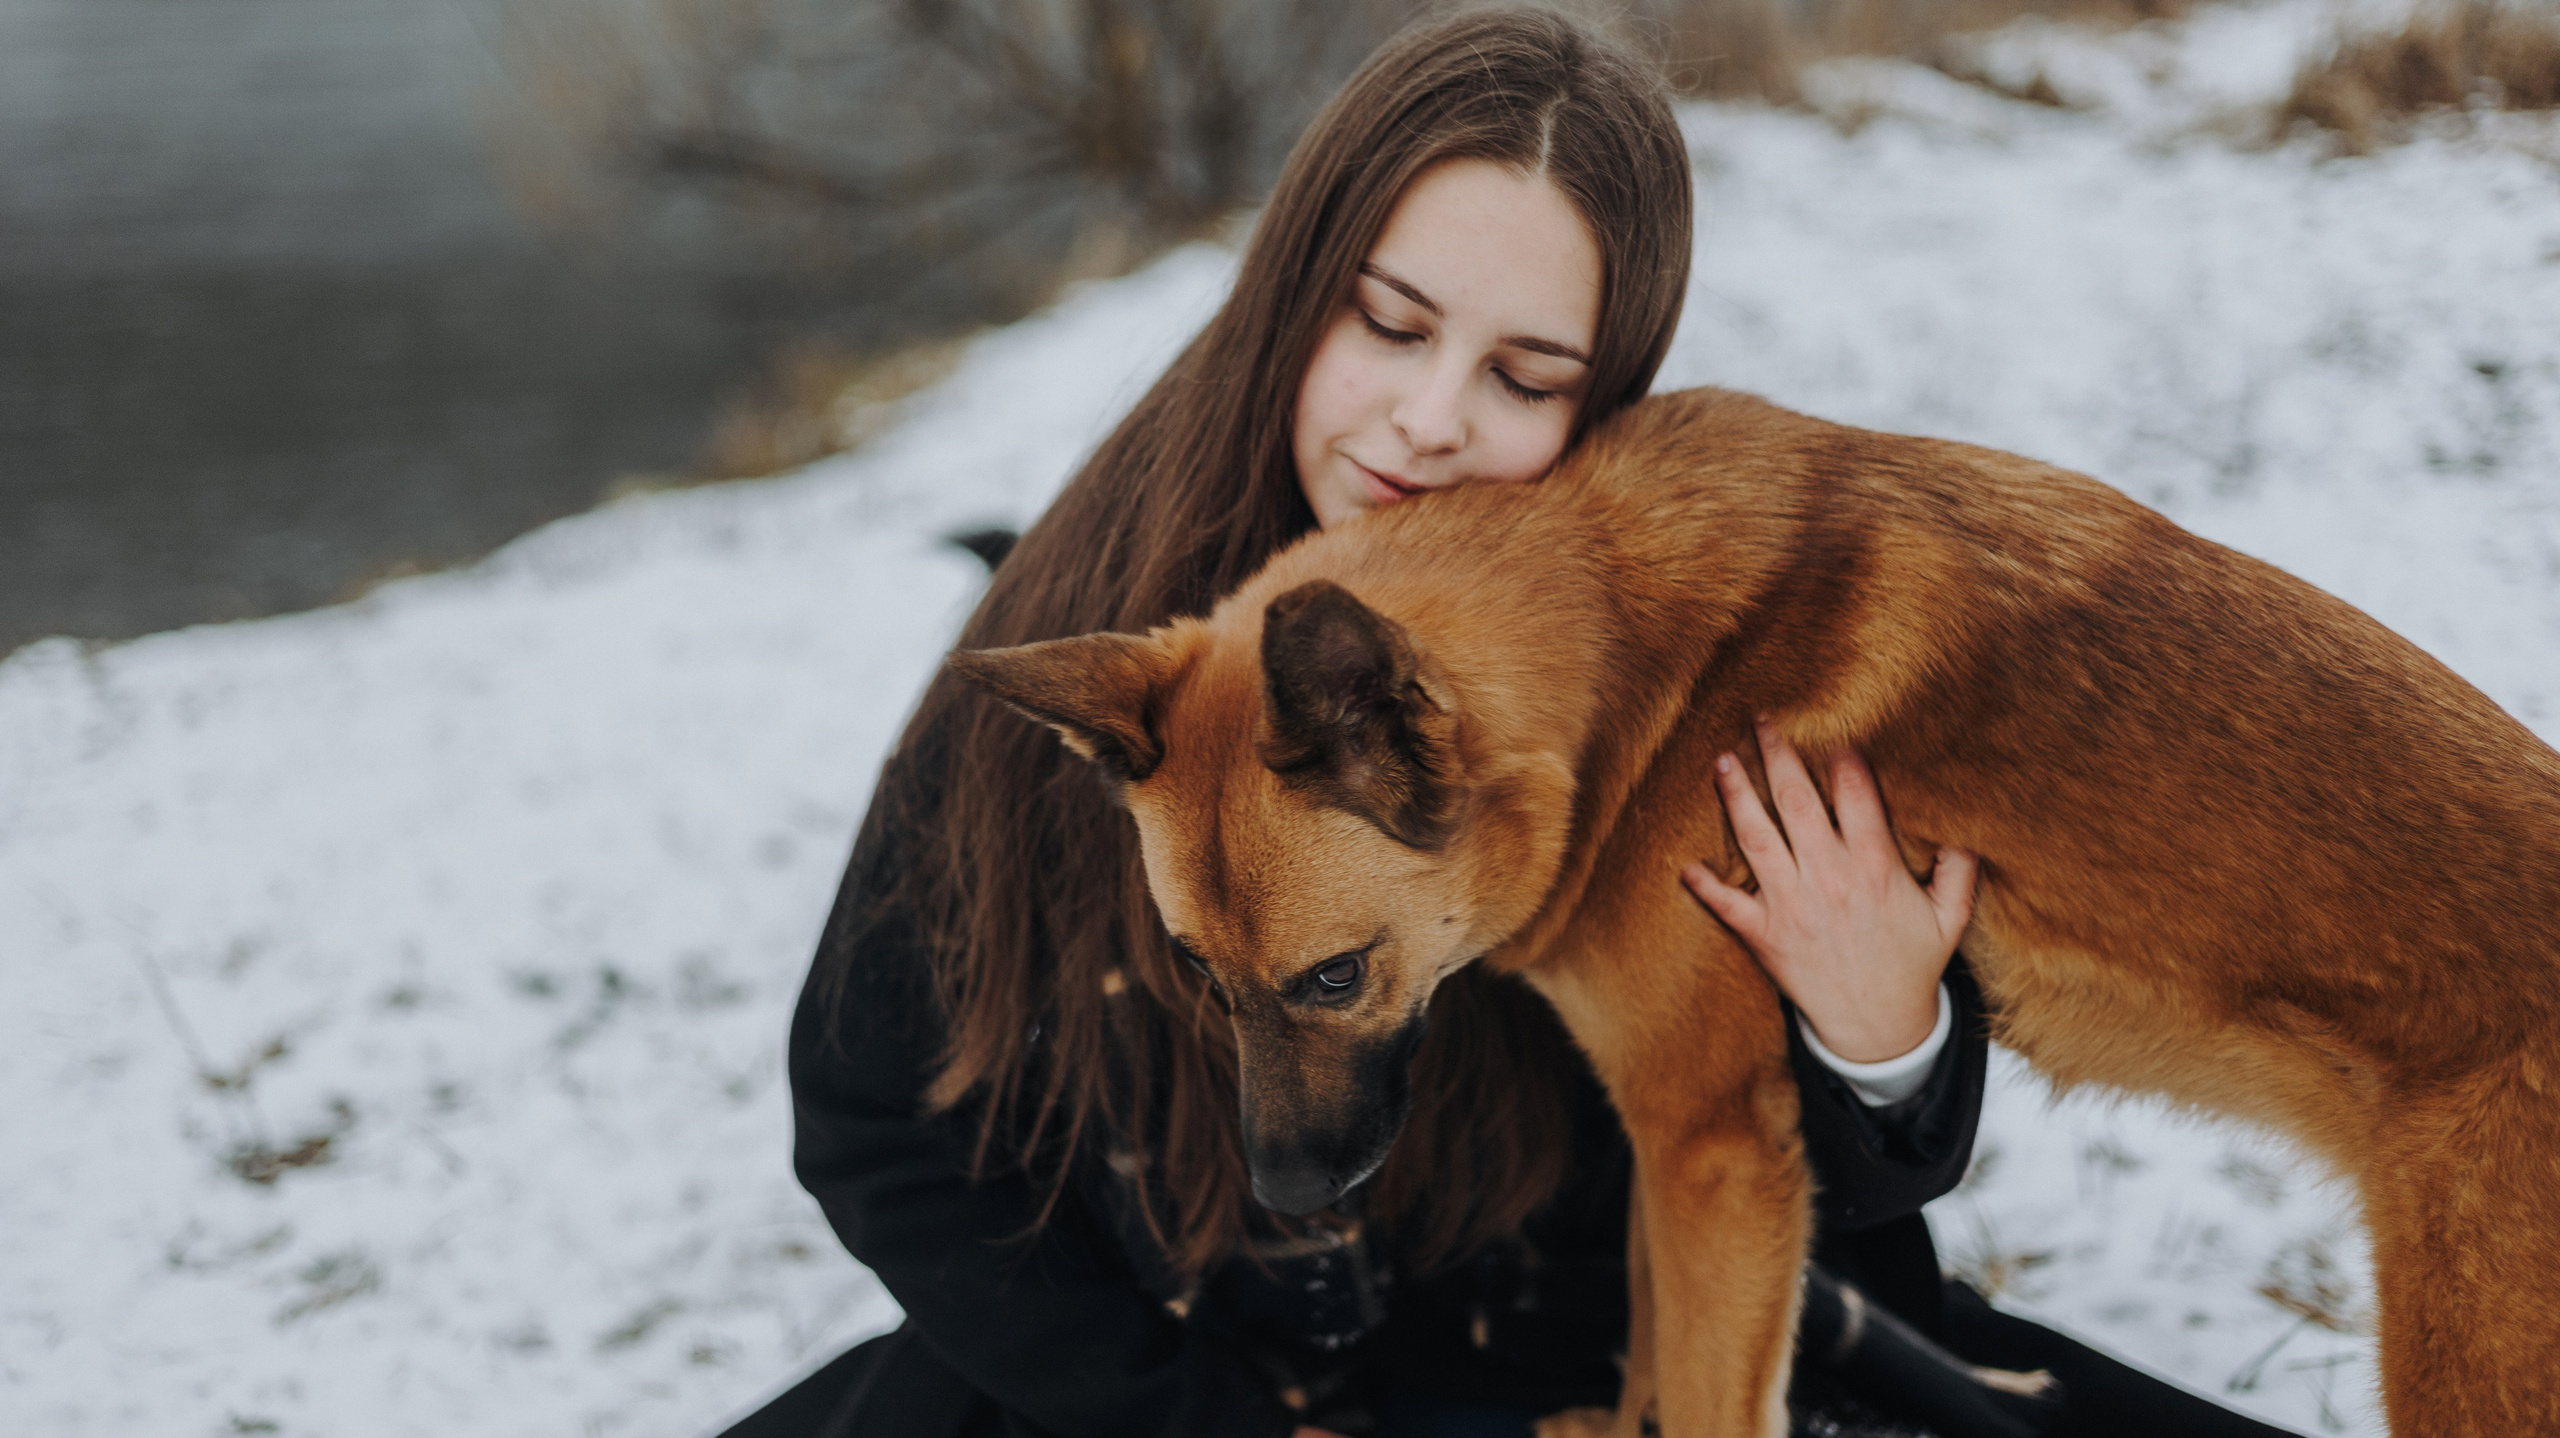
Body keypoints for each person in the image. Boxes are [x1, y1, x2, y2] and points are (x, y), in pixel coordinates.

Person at [722, 11, 2309, 1437]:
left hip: (1598, 1375)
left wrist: (1880, 1039)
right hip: (1185, 1391)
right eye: (1391, 324)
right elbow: (877, 1127)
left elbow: (1787, 1171)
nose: (1429, 419)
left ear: (1605, 396)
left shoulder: (1696, 654)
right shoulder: (1089, 648)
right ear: (1296, 290)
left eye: (1526, 373)